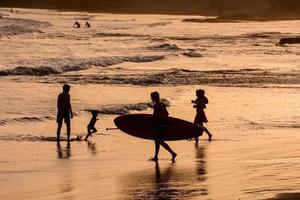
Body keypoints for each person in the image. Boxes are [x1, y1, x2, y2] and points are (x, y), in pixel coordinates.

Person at [151, 91, 177, 162]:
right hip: (163, 124)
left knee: (159, 141)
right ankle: (156, 156)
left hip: (159, 125)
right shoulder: (162, 104)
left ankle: (173, 153)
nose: (151, 98)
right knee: (157, 141)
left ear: (155, 97)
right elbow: (167, 114)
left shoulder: (156, 105)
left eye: (152, 97)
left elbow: (154, 116)